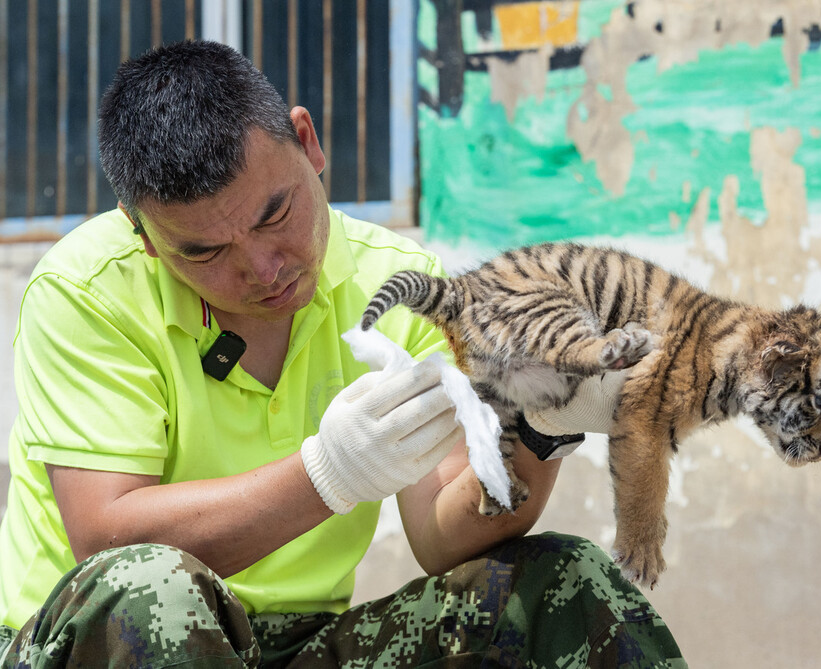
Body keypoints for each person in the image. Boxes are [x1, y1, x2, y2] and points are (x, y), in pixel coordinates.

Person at [0, 40, 685, 667]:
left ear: (308, 142)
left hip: (300, 646)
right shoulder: (86, 289)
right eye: (204, 252)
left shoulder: (397, 284)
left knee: (560, 585)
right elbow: (107, 535)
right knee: (152, 587)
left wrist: (542, 426)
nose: (265, 269)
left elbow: (444, 533)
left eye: (276, 214)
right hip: (94, 644)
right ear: (145, 236)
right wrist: (328, 474)